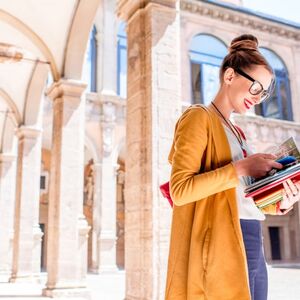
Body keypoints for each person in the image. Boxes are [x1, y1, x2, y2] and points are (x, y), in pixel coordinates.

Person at [165, 34, 300, 300]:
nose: (258, 98)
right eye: (255, 88)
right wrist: (241, 167)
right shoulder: (198, 117)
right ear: (229, 76)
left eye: (265, 93)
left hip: (252, 237)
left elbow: (242, 198)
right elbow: (180, 190)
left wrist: (281, 201)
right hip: (223, 239)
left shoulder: (239, 133)